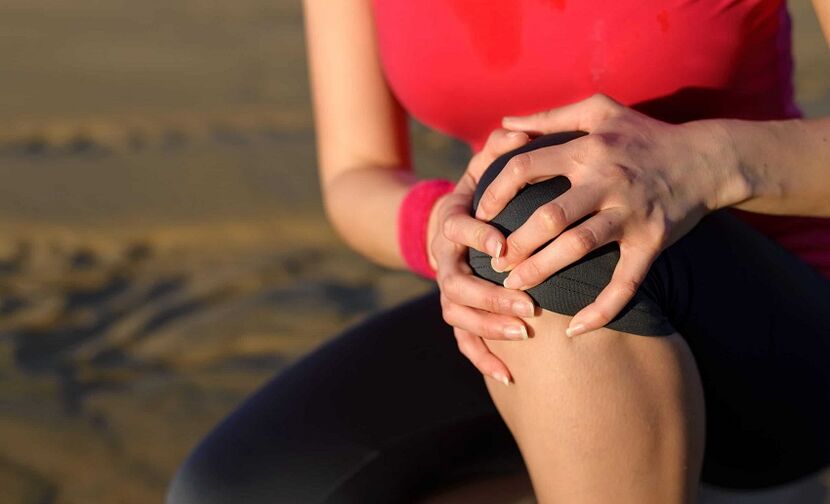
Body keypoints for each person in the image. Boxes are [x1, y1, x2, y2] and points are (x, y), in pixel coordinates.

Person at [166, 1, 830, 502]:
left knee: (549, 216)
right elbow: (356, 174)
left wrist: (704, 163)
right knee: (237, 489)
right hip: (529, 300)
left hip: (787, 343)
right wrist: (442, 227)